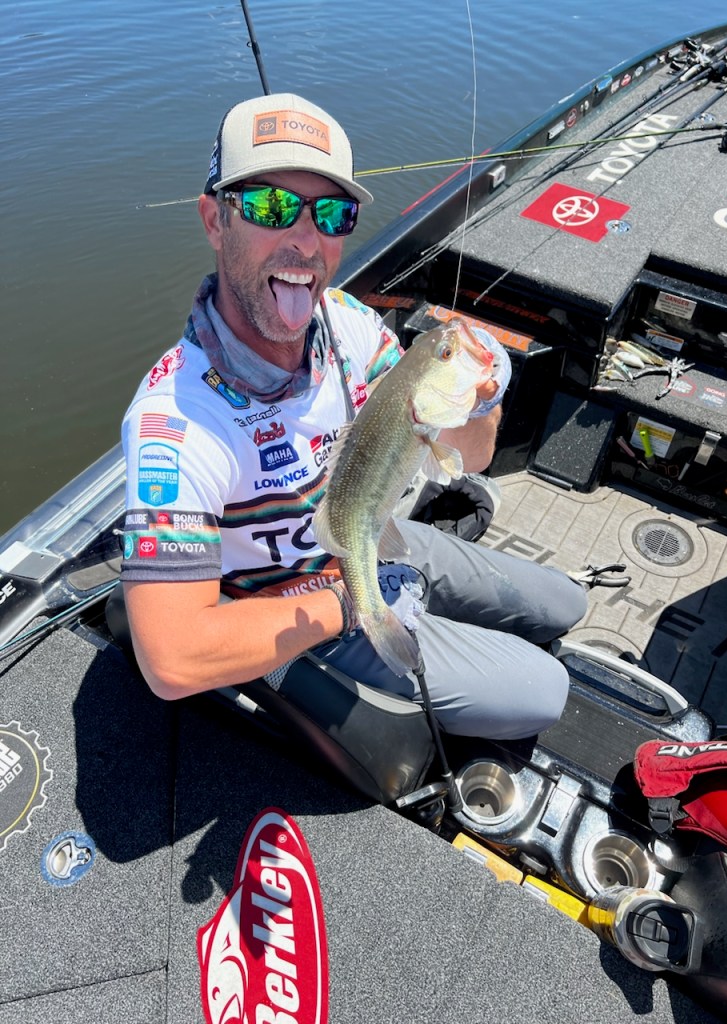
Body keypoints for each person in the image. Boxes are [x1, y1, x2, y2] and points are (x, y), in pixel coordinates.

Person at [120, 93, 588, 740]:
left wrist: (480, 395)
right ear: (214, 220)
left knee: (567, 602)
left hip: (370, 528)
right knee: (546, 691)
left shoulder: (349, 323)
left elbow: (474, 455)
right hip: (297, 603)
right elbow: (171, 659)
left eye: (332, 214)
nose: (305, 240)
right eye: (270, 206)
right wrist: (348, 603)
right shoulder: (175, 421)